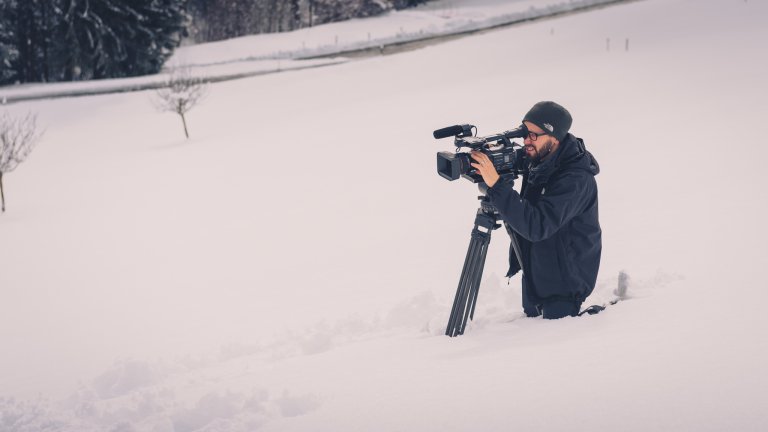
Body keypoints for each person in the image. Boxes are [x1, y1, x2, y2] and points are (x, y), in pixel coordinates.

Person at [469, 101, 601, 319]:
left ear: (554, 137)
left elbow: (537, 226)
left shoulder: (575, 179)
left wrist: (497, 185)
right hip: (537, 272)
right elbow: (517, 158)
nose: (526, 141)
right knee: (530, 329)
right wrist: (491, 156)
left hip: (564, 284)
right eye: (523, 133)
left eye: (533, 135)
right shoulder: (541, 157)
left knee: (549, 345)